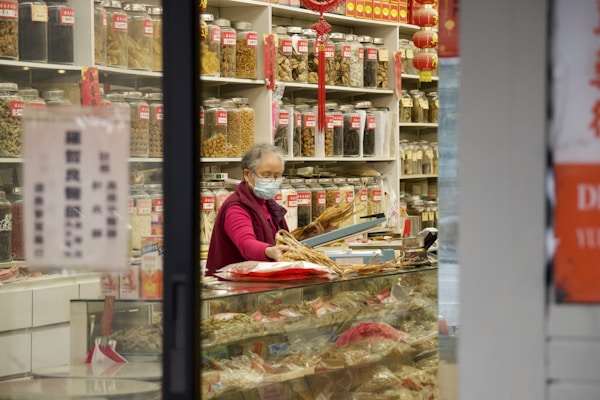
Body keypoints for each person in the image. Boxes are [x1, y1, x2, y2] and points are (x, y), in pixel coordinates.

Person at [205, 143, 293, 276]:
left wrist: (309, 234)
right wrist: (269, 251)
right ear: (247, 174)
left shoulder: (270, 205)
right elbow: (246, 243)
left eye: (276, 176)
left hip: (263, 283)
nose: (272, 181)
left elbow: (281, 239)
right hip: (235, 285)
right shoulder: (236, 208)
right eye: (266, 176)